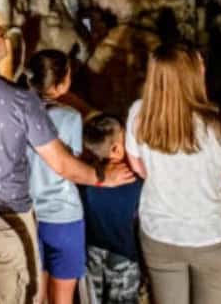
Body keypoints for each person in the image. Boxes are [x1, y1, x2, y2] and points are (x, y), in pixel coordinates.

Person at [0, 13, 134, 304]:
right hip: (5, 220)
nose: (5, 38)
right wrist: (101, 177)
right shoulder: (20, 100)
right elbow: (61, 164)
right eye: (0, 34)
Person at [125, 42, 221, 304]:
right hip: (211, 238)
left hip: (160, 236)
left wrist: (170, 184)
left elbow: (139, 168)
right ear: (192, 75)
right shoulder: (220, 129)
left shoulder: (139, 115)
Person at [25, 50, 85, 304]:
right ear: (61, 84)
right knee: (62, 297)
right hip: (63, 216)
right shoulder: (70, 117)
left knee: (34, 294)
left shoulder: (16, 112)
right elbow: (72, 164)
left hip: (27, 215)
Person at [79, 114, 144, 304]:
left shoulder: (85, 179)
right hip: (124, 254)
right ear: (116, 149)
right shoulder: (134, 182)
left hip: (92, 252)